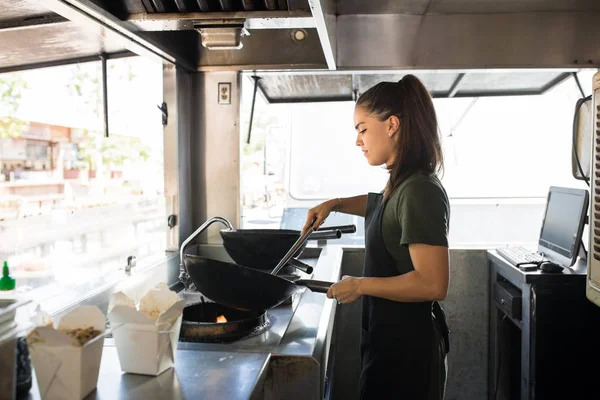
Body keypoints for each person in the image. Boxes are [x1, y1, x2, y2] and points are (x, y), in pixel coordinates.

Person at [302, 75, 451, 400]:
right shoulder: (400, 183)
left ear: (392, 125)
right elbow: (381, 208)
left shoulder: (419, 190)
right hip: (389, 343)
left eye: (362, 129)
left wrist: (360, 285)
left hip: (409, 355)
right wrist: (336, 204)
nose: (358, 141)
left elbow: (433, 284)